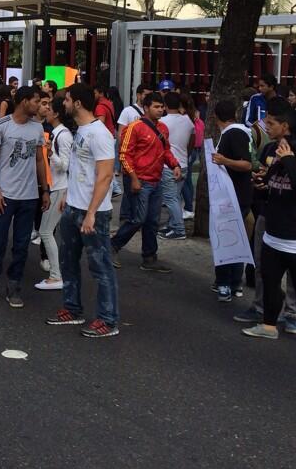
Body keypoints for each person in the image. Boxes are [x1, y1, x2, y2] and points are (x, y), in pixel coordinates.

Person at [241, 98, 296, 352]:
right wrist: (262, 183)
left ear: (285, 126)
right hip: (274, 236)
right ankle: (268, 326)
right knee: (269, 281)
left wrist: (287, 159)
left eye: (271, 123)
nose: (266, 127)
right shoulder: (273, 151)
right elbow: (272, 186)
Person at [47, 83, 119, 337]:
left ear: (77, 103)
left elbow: (105, 175)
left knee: (100, 267)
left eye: (66, 100)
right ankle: (72, 308)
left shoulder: (100, 134)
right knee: (69, 262)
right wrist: (68, 194)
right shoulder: (81, 130)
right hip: (73, 208)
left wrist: (90, 212)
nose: (63, 104)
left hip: (93, 213)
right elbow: (80, 168)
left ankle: (108, 320)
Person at [0, 86, 49, 308]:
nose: (40, 106)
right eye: (36, 101)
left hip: (29, 197)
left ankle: (14, 284)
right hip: (5, 195)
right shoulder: (1, 125)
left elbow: (39, 160)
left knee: (21, 244)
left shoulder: (37, 128)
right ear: (24, 101)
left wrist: (44, 189)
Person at [111, 91, 181, 273]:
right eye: (156, 107)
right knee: (138, 219)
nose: (160, 110)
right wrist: (133, 178)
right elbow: (124, 155)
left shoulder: (163, 129)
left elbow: (166, 151)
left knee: (152, 220)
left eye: (161, 106)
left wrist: (175, 165)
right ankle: (112, 246)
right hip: (139, 180)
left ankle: (149, 258)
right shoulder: (134, 127)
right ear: (146, 108)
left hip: (155, 180)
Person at [209, 100, 254, 302]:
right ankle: (233, 283)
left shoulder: (233, 134)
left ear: (216, 116)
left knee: (227, 241)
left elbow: (246, 164)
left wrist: (223, 160)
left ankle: (226, 283)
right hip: (234, 195)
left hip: (231, 197)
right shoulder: (240, 132)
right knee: (236, 239)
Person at [35, 90, 71, 290]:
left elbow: (66, 165)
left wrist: (50, 153)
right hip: (54, 187)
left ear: (56, 113)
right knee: (47, 232)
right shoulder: (55, 132)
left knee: (46, 232)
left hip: (58, 188)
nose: (46, 109)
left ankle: (56, 275)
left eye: (49, 107)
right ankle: (57, 273)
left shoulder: (63, 135)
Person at [157, 91, 194, 241]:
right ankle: (173, 225)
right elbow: (192, 142)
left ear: (165, 106)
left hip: (169, 166)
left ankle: (178, 229)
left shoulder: (162, 122)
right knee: (175, 197)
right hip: (184, 163)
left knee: (170, 198)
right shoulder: (188, 121)